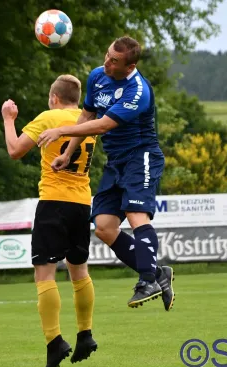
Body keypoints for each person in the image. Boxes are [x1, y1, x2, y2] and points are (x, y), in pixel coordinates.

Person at [37, 36, 174, 311]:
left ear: (129, 65)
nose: (107, 62)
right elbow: (86, 117)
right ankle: (159, 273)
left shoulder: (138, 91)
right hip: (116, 162)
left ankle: (147, 280)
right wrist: (68, 153)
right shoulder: (98, 76)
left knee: (136, 214)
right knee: (104, 227)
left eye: (114, 61)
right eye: (107, 55)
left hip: (141, 156)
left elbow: (102, 126)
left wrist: (61, 130)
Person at [1, 74, 97, 367]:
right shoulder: (88, 121)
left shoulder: (50, 117)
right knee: (79, 270)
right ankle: (85, 334)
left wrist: (8, 119)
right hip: (82, 203)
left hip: (54, 202)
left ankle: (54, 341)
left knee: (44, 271)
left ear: (53, 96)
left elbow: (16, 150)